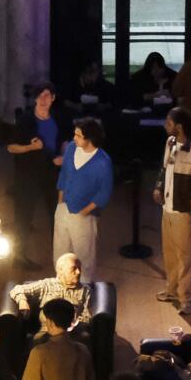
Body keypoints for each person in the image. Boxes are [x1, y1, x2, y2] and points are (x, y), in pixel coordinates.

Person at [154, 107, 191, 309]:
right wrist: (158, 187)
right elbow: (163, 169)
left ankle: (185, 298)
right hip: (167, 210)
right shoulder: (170, 143)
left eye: (168, 123)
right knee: (169, 253)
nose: (165, 126)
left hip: (183, 213)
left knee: (184, 258)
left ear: (178, 127)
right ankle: (171, 290)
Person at [8, 83, 65, 267]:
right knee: (23, 216)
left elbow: (65, 140)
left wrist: (63, 156)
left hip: (52, 173)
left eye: (47, 95)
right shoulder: (25, 120)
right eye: (40, 96)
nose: (43, 99)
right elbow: (11, 147)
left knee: (56, 214)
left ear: (53, 98)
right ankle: (19, 257)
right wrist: (30, 147)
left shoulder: (59, 118)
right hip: (28, 175)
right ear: (34, 99)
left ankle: (59, 256)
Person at [53, 117, 113, 282]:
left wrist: (84, 212)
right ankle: (61, 287)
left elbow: (104, 193)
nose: (74, 138)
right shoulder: (72, 148)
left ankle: (84, 291)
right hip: (64, 209)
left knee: (84, 257)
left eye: (78, 135)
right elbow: (64, 175)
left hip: (84, 215)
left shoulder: (102, 162)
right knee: (60, 251)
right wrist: (60, 204)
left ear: (89, 139)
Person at [5, 251, 90, 325]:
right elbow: (17, 289)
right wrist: (22, 300)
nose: (78, 272)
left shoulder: (85, 290)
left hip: (71, 333)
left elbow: (87, 317)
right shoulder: (47, 285)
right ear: (60, 270)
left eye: (79, 268)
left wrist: (75, 323)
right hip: (46, 332)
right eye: (74, 269)